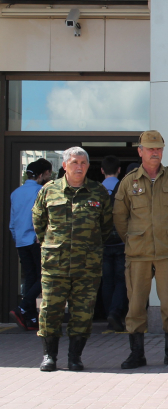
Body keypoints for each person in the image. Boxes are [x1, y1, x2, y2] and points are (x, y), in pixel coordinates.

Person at [113, 131, 168, 369]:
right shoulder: (129, 182)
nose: (155, 152)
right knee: (136, 304)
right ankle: (137, 354)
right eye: (150, 148)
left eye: (158, 149)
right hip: (138, 253)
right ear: (140, 151)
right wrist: (132, 238)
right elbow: (120, 216)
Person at [32, 148, 112, 372]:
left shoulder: (98, 191)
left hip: (87, 266)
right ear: (65, 165)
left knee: (83, 312)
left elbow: (105, 226)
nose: (79, 166)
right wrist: (51, 244)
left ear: (88, 166)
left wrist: (89, 245)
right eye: (75, 162)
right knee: (50, 311)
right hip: (55, 265)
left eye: (83, 163)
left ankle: (75, 357)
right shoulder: (49, 190)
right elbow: (39, 222)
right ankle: (49, 356)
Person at [8, 158, 52, 331]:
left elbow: (13, 221)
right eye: (48, 173)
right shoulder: (41, 191)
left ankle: (30, 318)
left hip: (20, 240)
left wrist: (16, 236)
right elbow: (43, 216)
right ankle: (23, 307)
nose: (49, 177)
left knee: (30, 278)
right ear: (41, 175)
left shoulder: (15, 193)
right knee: (46, 276)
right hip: (36, 239)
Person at [101, 155, 127, 332]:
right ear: (119, 170)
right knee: (122, 280)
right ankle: (116, 312)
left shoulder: (96, 190)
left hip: (103, 243)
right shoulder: (123, 187)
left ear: (102, 170)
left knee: (107, 281)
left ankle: (109, 315)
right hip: (121, 241)